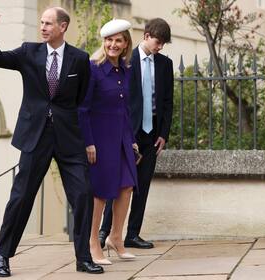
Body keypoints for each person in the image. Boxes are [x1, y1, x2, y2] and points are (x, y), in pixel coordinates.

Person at [0, 4, 103, 277]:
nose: (43, 27)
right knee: (21, 196)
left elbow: (80, 98)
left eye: (48, 23)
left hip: (69, 138)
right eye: (42, 23)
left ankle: (84, 258)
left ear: (63, 27)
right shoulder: (28, 52)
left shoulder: (79, 59)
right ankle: (2, 255)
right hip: (36, 135)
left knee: (83, 195)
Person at [99, 18, 174, 249]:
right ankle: (105, 232)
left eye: (163, 44)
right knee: (119, 184)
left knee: (142, 185)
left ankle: (132, 234)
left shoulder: (165, 64)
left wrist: (163, 133)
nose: (159, 47)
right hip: (126, 133)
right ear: (146, 35)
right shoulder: (125, 61)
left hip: (151, 136)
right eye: (157, 41)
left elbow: (167, 101)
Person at [78, 19, 137, 265]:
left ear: (125, 45)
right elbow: (82, 109)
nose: (113, 44)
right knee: (100, 194)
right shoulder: (93, 68)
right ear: (104, 42)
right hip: (100, 140)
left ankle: (116, 237)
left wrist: (131, 140)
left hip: (121, 138)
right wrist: (89, 142)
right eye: (109, 40)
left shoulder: (124, 70)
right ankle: (93, 243)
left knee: (126, 187)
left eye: (118, 40)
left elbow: (124, 109)